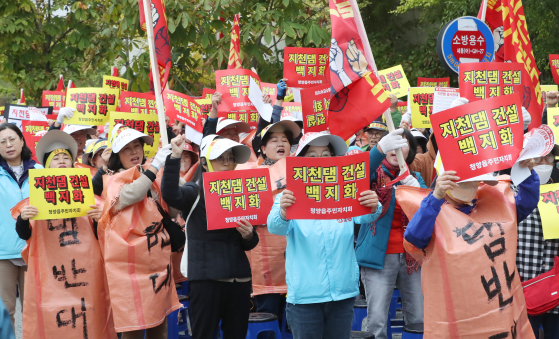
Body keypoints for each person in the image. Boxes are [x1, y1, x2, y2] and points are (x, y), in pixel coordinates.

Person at [267, 131, 383, 339]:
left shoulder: (345, 190)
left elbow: (366, 216)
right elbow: (275, 227)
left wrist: (374, 204)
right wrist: (284, 212)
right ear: (300, 161)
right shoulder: (290, 193)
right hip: (305, 298)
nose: (319, 161)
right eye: (311, 156)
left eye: (325, 155)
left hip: (343, 293)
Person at [13, 130, 116, 339]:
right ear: (46, 165)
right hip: (51, 274)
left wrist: (99, 220)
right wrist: (23, 218)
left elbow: (105, 235)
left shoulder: (89, 196)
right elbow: (25, 235)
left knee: (89, 320)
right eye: (55, 159)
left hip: (87, 273)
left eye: (65, 158)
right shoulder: (35, 200)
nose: (61, 162)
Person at [161, 134, 259, 339]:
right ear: (204, 164)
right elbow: (170, 195)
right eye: (220, 157)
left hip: (239, 279)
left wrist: (249, 234)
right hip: (207, 280)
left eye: (231, 157)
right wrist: (174, 158)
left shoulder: (241, 192)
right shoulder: (194, 190)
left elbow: (250, 242)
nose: (227, 161)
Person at [94, 125, 183, 338]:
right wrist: (155, 168)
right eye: (127, 148)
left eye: (137, 146)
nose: (135, 152)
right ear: (117, 156)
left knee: (158, 325)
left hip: (155, 262)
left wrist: (173, 162)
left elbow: (173, 207)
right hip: (127, 267)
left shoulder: (153, 174)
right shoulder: (114, 179)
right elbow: (130, 194)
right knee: (132, 327)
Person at [355, 128, 427, 339]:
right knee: (376, 319)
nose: (396, 148)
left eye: (403, 144)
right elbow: (359, 172)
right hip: (378, 257)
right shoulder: (372, 175)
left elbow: (430, 215)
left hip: (412, 258)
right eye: (392, 143)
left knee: (418, 318)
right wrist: (377, 150)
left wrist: (419, 194)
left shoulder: (416, 178)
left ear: (411, 151)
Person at [250, 119, 301, 332]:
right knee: (268, 324)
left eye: (285, 140)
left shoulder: (303, 172)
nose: (281, 143)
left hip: (298, 264)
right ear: (262, 148)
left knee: (295, 326)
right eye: (274, 140)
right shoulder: (250, 175)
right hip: (266, 266)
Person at [0, 123, 42, 332]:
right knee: (5, 310)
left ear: (22, 141)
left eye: (12, 139)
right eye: (2, 141)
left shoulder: (40, 172)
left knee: (33, 309)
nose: (8, 145)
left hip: (33, 249)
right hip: (3, 252)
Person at [515, 148, 559, 338]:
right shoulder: (512, 193)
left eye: (548, 157)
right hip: (523, 289)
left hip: (556, 292)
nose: (542, 162)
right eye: (537, 158)